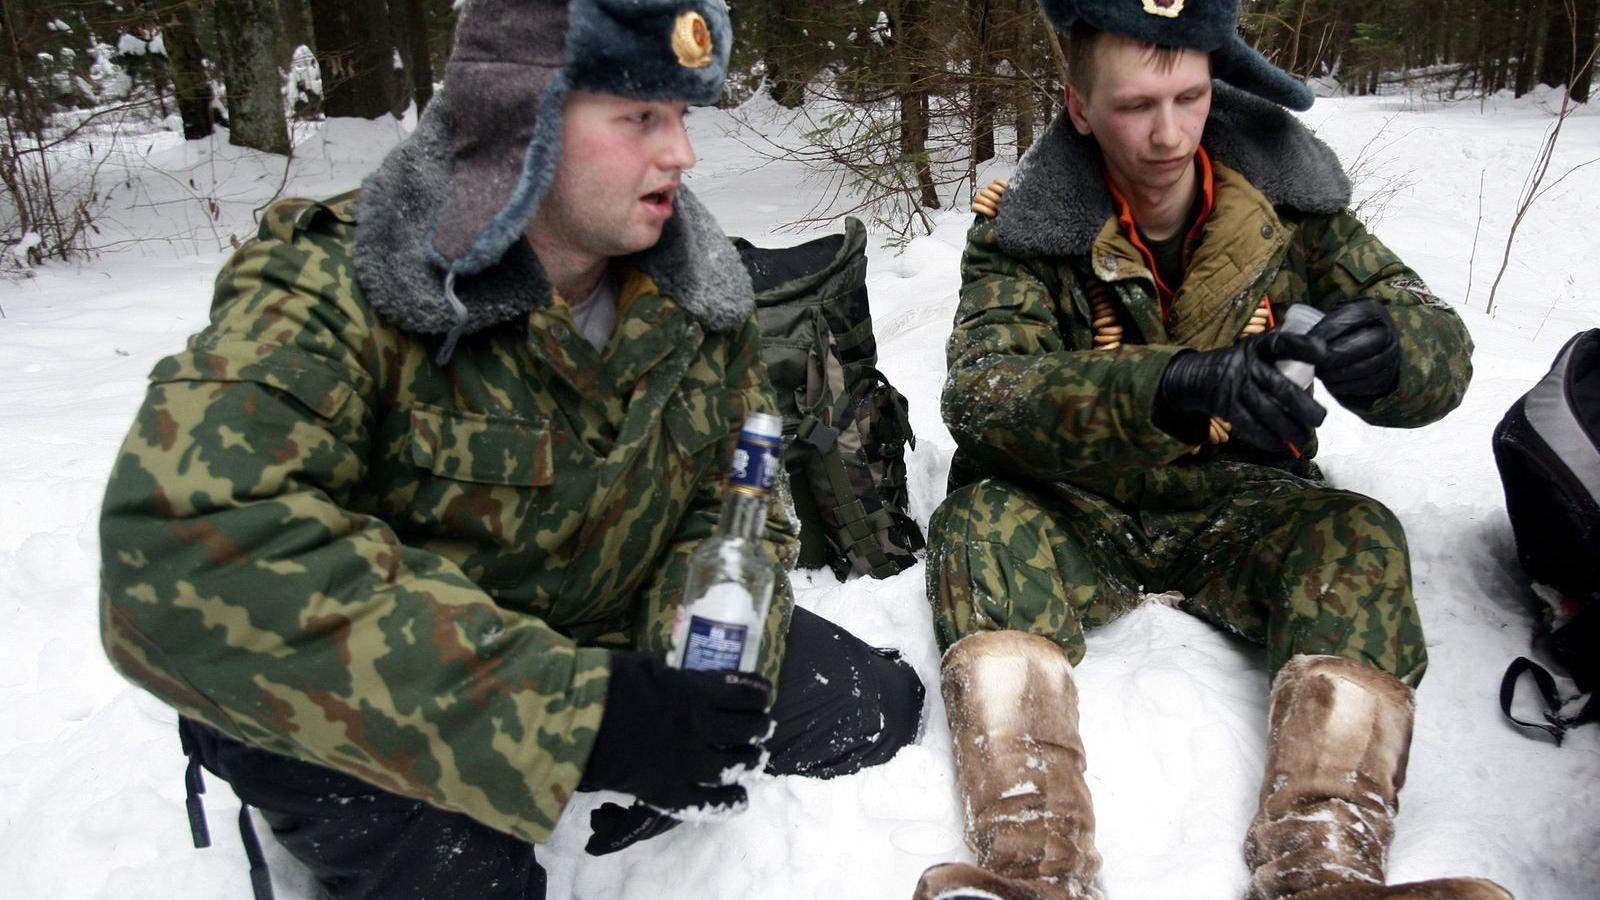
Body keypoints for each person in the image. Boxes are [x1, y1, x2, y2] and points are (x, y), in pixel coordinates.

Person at [97, 1, 922, 897]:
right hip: (379, 687)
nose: (681, 152)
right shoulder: (342, 284)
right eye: (641, 115)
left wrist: (687, 679)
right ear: (517, 113)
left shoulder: (694, 292)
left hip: (599, 630)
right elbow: (178, 559)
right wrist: (584, 722)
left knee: (874, 710)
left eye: (683, 117)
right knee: (473, 878)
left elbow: (733, 505)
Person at [915, 2, 1510, 899]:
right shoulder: (1023, 228)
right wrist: (1165, 387)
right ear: (1078, 106)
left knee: (1359, 536)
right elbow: (984, 392)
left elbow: (1435, 336)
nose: (1166, 134)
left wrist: (1394, 353)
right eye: (1134, 106)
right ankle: (1032, 860)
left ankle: (1324, 860)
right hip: (1081, 503)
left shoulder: (1293, 210)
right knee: (978, 525)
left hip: (1243, 500)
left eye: (1189, 98)